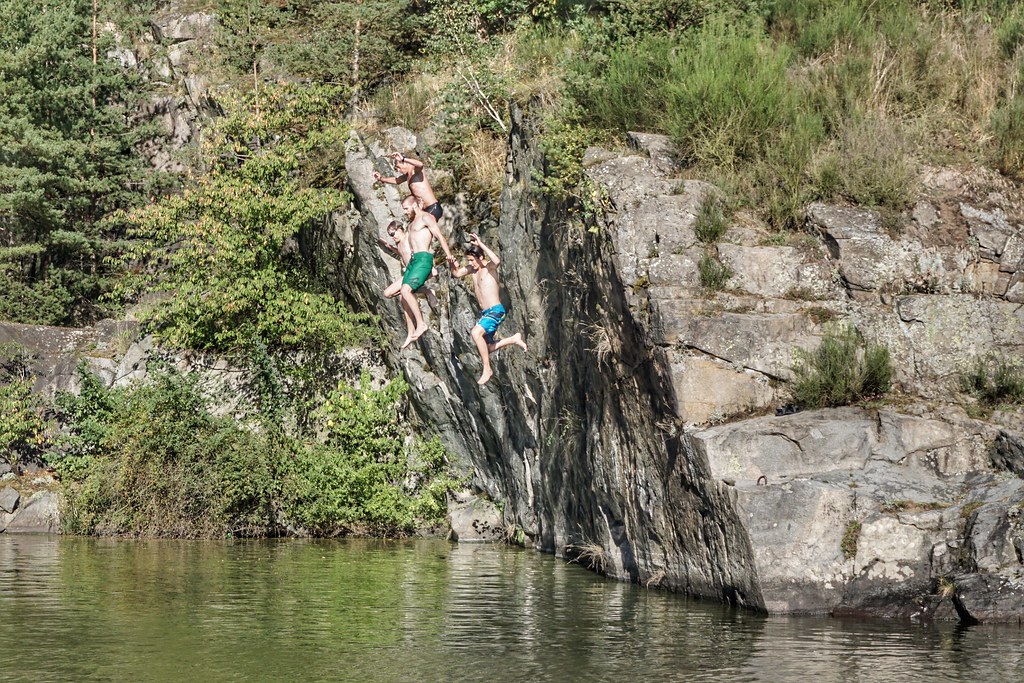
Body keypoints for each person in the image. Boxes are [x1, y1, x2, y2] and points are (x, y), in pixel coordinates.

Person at [450, 232, 528, 385]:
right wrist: (452, 264)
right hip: (486, 313)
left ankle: (487, 368)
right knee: (487, 347)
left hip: (495, 310)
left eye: (472, 260)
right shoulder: (473, 270)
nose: (470, 263)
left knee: (475, 332)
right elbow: (457, 274)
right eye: (468, 260)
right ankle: (514, 339)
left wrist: (481, 244)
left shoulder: (489, 268)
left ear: (480, 257)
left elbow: (497, 260)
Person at [398, 196, 456, 349]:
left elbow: (439, 236)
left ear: (414, 205)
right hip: (413, 261)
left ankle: (421, 324)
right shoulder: (411, 225)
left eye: (406, 208)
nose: (405, 212)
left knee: (405, 290)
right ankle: (411, 332)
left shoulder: (426, 217)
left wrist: (448, 255)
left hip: (424, 259)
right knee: (403, 297)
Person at [378, 220, 439, 339]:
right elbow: (401, 253)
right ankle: (426, 291)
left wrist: (432, 266)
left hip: (418, 270)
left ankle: (416, 326)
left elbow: (422, 251)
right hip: (409, 273)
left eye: (393, 233)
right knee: (387, 293)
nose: (392, 237)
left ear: (400, 229)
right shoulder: (398, 244)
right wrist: (388, 246)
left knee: (404, 295)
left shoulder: (408, 238)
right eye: (390, 235)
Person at [373, 152, 444, 223]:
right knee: (416, 227)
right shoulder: (408, 176)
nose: (398, 170)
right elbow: (397, 180)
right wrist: (381, 179)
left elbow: (420, 164)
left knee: (419, 225)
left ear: (406, 163)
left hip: (433, 207)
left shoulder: (416, 171)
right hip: (425, 209)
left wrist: (403, 159)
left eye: (398, 167)